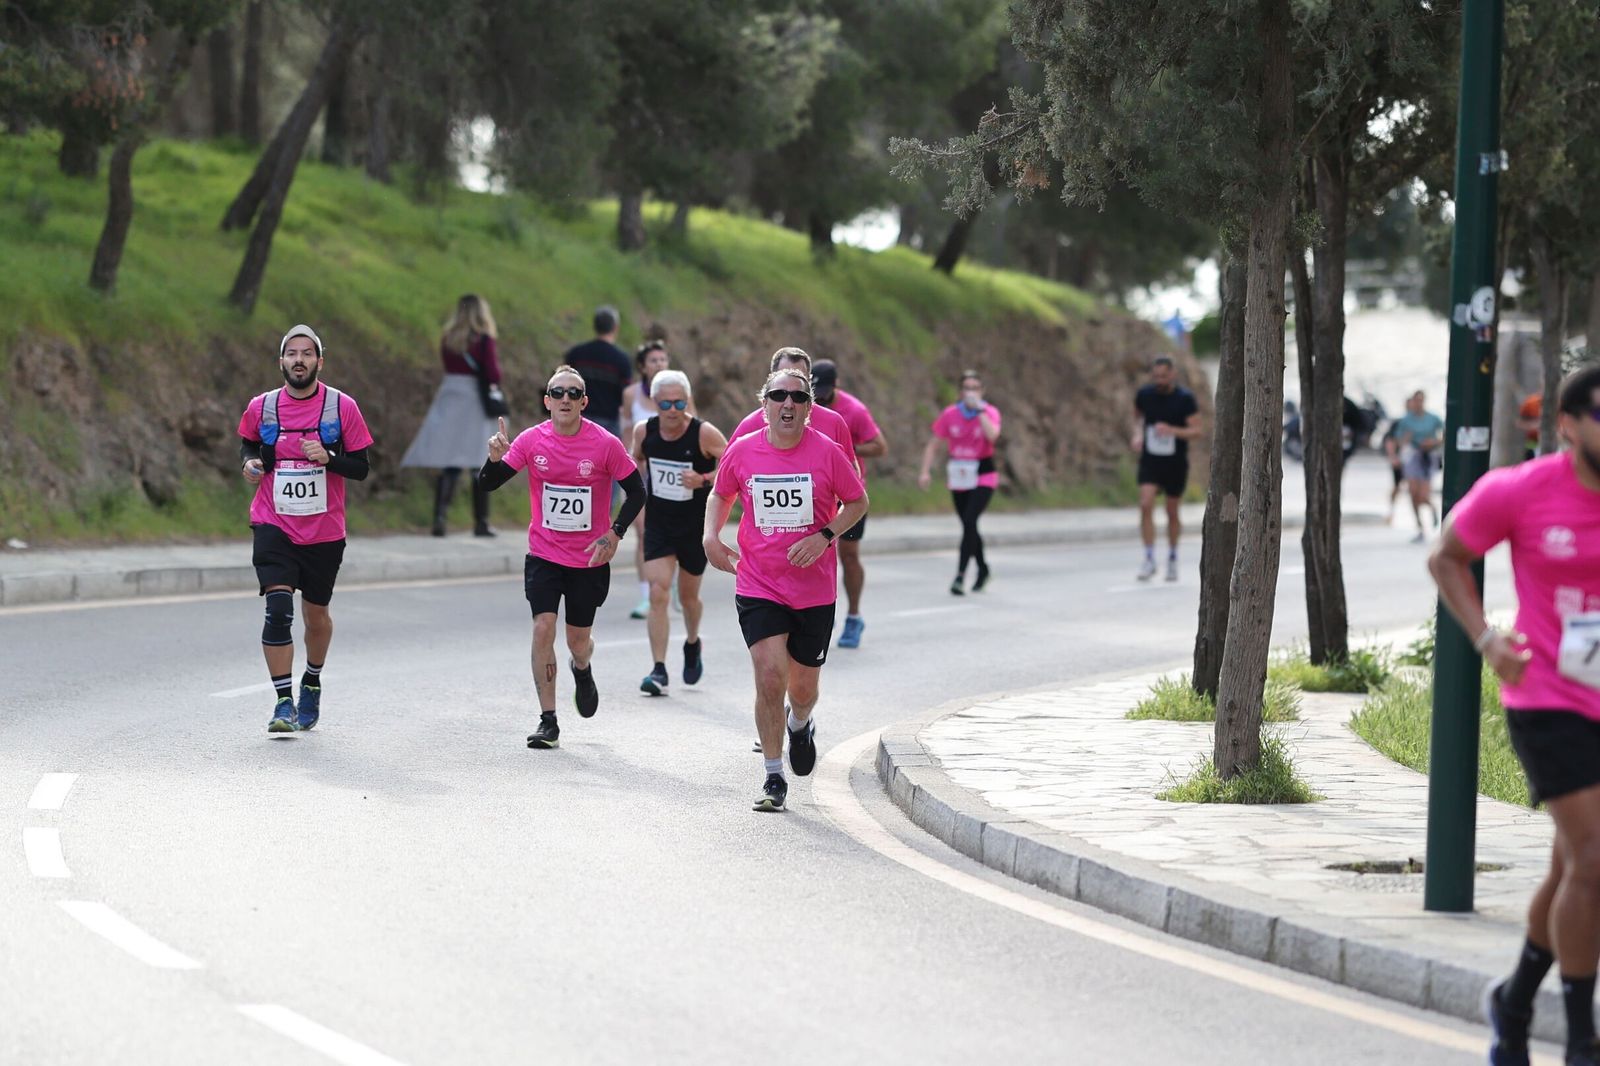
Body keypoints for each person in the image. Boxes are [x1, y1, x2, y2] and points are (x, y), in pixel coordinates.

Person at [1429, 365, 1600, 1066]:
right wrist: (1486, 638)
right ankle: (1583, 1042)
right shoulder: (1523, 492)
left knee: (1572, 869)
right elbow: (1446, 556)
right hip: (1547, 698)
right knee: (1595, 858)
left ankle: (1515, 1002)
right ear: (1566, 423)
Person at [705, 367, 868, 812]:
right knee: (769, 674)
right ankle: (774, 776)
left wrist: (825, 536)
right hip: (759, 580)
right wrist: (710, 537)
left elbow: (858, 501)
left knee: (802, 688)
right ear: (765, 405)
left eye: (797, 397)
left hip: (813, 589)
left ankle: (801, 722)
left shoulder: (828, 452)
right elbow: (721, 494)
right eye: (778, 396)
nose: (788, 404)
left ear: (810, 408)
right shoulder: (743, 450)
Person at [478, 365, 646, 749]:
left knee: (577, 641)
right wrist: (493, 458)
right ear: (547, 400)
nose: (565, 399)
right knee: (542, 628)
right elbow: (488, 484)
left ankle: (582, 668)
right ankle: (548, 720)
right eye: (558, 393)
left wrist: (615, 533)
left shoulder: (604, 444)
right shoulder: (531, 440)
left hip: (588, 559)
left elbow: (637, 491)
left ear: (584, 402)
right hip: (545, 555)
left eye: (573, 394)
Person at [238, 325, 373, 733]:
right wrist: (248, 464)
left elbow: (362, 468)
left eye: (307, 353)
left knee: (316, 616)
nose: (299, 360)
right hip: (272, 521)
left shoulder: (341, 407)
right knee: (278, 611)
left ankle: (311, 681)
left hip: (323, 531)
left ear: (319, 361)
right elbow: (247, 443)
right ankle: (283, 702)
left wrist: (329, 458)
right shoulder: (262, 406)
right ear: (281, 361)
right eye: (291, 353)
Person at [631, 370, 727, 695]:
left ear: (687, 401)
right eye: (666, 403)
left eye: (680, 402)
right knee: (658, 591)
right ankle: (658, 669)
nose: (673, 409)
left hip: (694, 526)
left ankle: (692, 641)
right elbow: (635, 462)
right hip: (659, 522)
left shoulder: (704, 434)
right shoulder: (644, 431)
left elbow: (733, 465)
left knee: (688, 598)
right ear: (655, 402)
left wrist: (703, 479)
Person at [401, 294, 503, 537]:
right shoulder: (483, 340)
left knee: (451, 460)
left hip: (450, 397)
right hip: (474, 401)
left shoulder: (449, 339)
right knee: (479, 459)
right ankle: (481, 522)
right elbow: (493, 373)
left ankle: (439, 518)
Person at [810, 359, 886, 648]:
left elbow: (880, 446)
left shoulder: (854, 410)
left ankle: (854, 617)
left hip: (849, 495)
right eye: (817, 392)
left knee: (849, 556)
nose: (822, 398)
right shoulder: (805, 405)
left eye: (827, 392)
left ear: (837, 385)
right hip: (816, 495)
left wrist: (845, 447)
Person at [918, 369, 1001, 595]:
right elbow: (934, 444)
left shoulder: (990, 412)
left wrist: (980, 412)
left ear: (982, 391)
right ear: (960, 391)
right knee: (968, 524)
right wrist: (925, 471)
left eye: (975, 388)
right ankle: (983, 568)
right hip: (959, 474)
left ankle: (960, 576)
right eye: (967, 388)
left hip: (983, 474)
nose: (970, 392)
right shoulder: (951, 414)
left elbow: (993, 436)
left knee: (971, 520)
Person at [1130, 355, 1203, 581]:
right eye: (1156, 376)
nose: (1159, 380)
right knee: (1145, 504)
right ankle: (1149, 558)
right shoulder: (1144, 395)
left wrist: (1172, 430)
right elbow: (1137, 420)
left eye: (1163, 375)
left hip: (1175, 461)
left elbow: (1197, 431)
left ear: (1172, 374)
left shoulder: (1185, 399)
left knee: (1171, 511)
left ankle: (1172, 557)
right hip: (1150, 459)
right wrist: (1137, 435)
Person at [621, 339, 673, 619]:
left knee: (672, 532)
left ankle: (668, 582)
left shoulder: (679, 391)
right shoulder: (630, 394)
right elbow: (627, 431)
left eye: (663, 359)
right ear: (642, 366)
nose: (659, 364)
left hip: (671, 475)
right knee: (643, 533)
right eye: (653, 360)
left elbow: (694, 426)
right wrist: (630, 464)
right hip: (641, 473)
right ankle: (646, 596)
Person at [730, 348, 855, 459]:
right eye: (785, 376)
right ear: (771, 378)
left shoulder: (833, 422)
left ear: (809, 380)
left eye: (800, 377)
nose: (791, 383)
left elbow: (851, 474)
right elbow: (726, 474)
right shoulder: (749, 425)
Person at [561, 305, 633, 440]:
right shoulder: (621, 360)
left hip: (577, 419)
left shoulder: (576, 354)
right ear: (615, 327)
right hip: (609, 424)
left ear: (595, 326)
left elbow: (561, 384)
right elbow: (625, 397)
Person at [1394, 389, 1445, 543]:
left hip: (1428, 456)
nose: (1418, 403)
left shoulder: (1433, 418)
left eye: (1421, 400)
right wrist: (1406, 440)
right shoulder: (1406, 420)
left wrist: (1434, 442)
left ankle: (1433, 509)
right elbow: (1399, 441)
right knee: (1413, 493)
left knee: (1423, 495)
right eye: (1416, 400)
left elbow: (1443, 435)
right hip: (1413, 456)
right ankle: (1420, 526)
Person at [1382, 419, 1405, 524]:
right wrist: (1393, 457)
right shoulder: (1399, 422)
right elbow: (1390, 440)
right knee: (1397, 487)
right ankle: (1391, 511)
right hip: (1400, 461)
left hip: (1417, 462)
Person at [1521, 393, 1544, 462]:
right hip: (1532, 444)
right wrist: (1534, 426)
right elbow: (1521, 422)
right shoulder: (1531, 403)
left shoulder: (1560, 403)